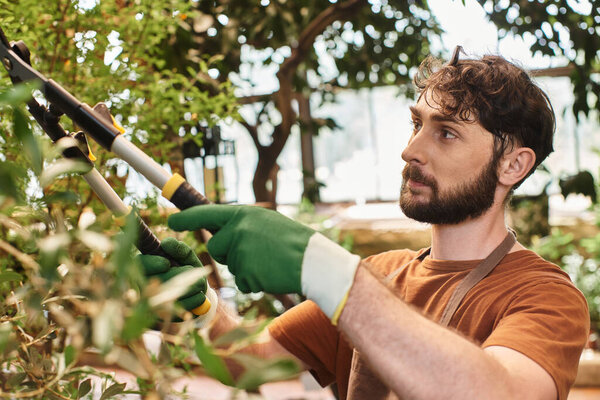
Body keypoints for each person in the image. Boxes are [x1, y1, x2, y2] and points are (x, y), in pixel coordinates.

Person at [140, 47, 589, 400]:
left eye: (446, 132)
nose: (411, 149)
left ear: (512, 165)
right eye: (417, 124)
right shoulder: (381, 275)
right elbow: (252, 361)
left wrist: (326, 270)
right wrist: (202, 309)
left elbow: (498, 393)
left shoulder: (545, 297)